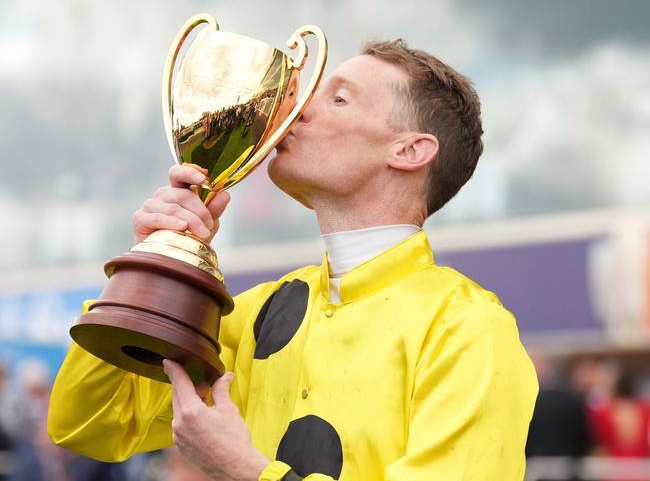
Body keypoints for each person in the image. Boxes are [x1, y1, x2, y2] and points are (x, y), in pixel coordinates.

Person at [48, 40, 538, 480]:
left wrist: (246, 470)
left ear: (409, 150)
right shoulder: (254, 312)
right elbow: (90, 425)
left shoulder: (470, 328)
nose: (296, 108)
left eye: (338, 99)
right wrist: (151, 262)